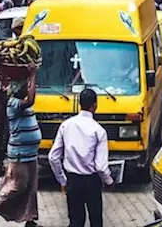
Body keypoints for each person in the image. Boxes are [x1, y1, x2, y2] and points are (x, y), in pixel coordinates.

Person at [49, 89, 113, 227]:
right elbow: (101, 166)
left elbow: (53, 157)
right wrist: (109, 181)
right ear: (95, 105)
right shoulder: (99, 130)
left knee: (75, 221)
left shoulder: (66, 125)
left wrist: (62, 180)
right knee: (96, 220)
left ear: (79, 104)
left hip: (73, 180)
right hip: (92, 182)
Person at [0, 66, 41, 227]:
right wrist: (33, 75)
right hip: (19, 154)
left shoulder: (21, 103)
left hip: (30, 153)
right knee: (18, 186)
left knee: (31, 188)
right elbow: (31, 99)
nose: (27, 89)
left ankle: (30, 219)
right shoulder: (13, 104)